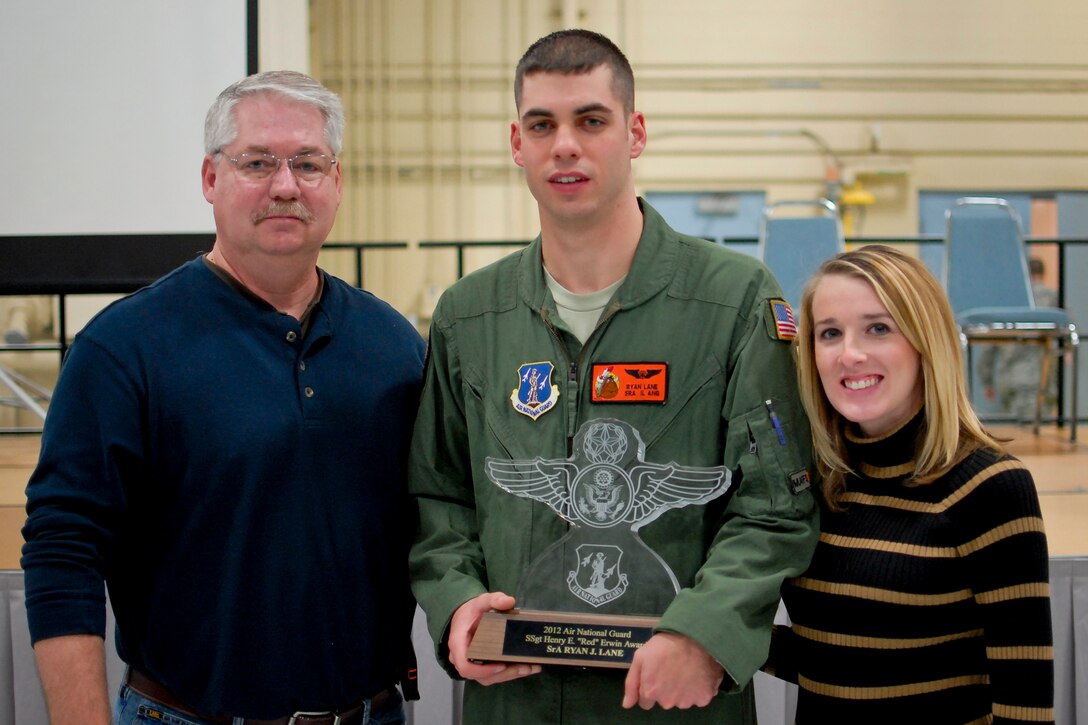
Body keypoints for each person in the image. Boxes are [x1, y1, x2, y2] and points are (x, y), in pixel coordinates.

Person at [408, 29, 818, 724]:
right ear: (517, 144)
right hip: (514, 699)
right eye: (543, 124)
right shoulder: (469, 315)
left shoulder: (735, 302)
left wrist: (706, 630)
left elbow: (774, 507)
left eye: (591, 120)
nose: (565, 144)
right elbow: (437, 494)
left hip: (674, 702)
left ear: (634, 134)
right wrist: (456, 603)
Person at [21, 71, 426, 725]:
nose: (286, 185)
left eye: (308, 163)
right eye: (258, 162)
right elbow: (62, 550)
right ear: (211, 179)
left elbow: (437, 523)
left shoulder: (393, 346)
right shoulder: (123, 349)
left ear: (338, 182)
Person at [768, 245, 1053, 723]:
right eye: (830, 333)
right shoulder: (816, 478)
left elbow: (1023, 693)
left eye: (878, 328)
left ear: (926, 341)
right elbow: (840, 661)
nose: (850, 354)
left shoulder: (991, 485)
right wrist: (691, 633)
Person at [979, 256, 1060, 422]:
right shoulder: (1053, 299)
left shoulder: (1006, 301)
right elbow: (1068, 335)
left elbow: (989, 346)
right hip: (1043, 377)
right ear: (1042, 274)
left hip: (1011, 377)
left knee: (1016, 431)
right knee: (1040, 430)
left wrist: (986, 381)